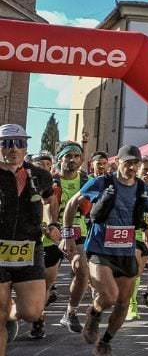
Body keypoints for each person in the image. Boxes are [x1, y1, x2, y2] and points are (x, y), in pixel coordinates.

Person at [62, 144, 148, 355]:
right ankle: (94, 313)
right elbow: (72, 204)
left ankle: (106, 340)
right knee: (109, 296)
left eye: (136, 164)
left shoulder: (142, 188)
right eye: (128, 163)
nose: (132, 168)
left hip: (126, 252)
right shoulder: (102, 182)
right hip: (100, 250)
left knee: (123, 302)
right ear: (117, 162)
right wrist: (67, 235)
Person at [0, 124, 55, 348]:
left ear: (25, 147)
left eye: (19, 143)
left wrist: (52, 223)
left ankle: (12, 313)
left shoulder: (40, 176)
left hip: (29, 249)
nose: (13, 148)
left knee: (32, 312)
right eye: (6, 143)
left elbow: (50, 200)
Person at [45, 141, 88, 336]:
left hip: (78, 233)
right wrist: (49, 227)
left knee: (82, 271)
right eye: (68, 156)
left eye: (76, 156)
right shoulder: (49, 181)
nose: (72, 160)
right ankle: (38, 317)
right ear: (60, 159)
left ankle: (71, 313)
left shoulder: (86, 181)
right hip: (51, 235)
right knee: (46, 283)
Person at [128, 156, 148, 321]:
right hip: (134, 232)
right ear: (138, 169)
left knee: (138, 271)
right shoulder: (133, 187)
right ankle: (130, 305)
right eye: (145, 169)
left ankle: (128, 298)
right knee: (134, 268)